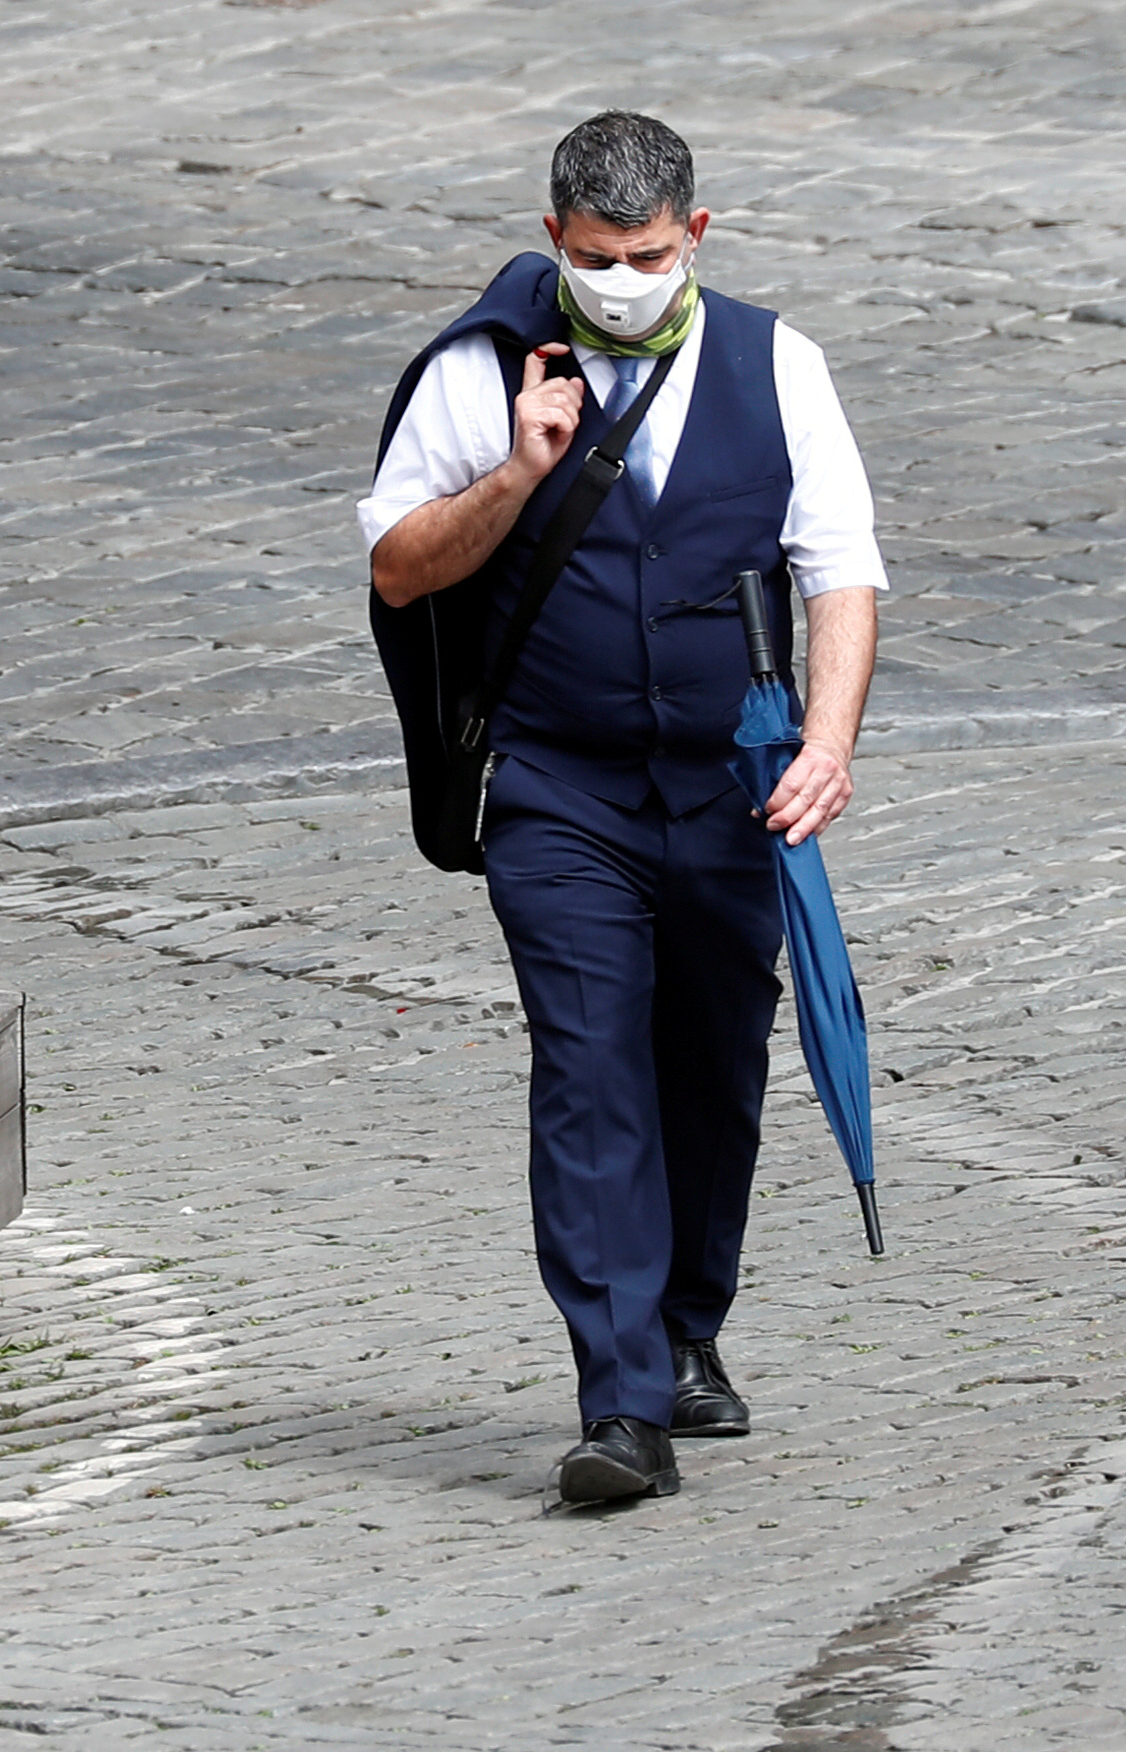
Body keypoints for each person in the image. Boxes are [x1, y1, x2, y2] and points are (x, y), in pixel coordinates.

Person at [361, 111, 884, 1505]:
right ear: (553, 242)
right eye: (594, 257)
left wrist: (825, 745)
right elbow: (403, 567)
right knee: (592, 1068)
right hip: (559, 786)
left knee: (712, 1062)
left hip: (731, 788)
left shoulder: (779, 364)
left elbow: (841, 570)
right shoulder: (483, 371)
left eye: (646, 254)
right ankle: (622, 1406)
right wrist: (521, 470)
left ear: (694, 239)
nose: (619, 278)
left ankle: (685, 1327)